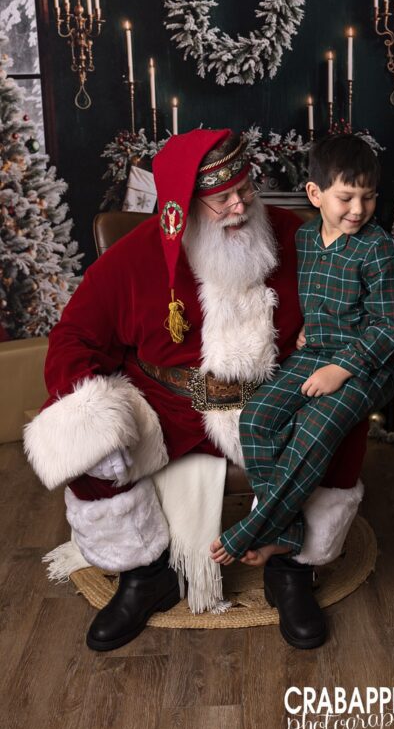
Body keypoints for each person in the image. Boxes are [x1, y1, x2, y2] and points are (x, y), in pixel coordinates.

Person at [24, 129, 369, 652]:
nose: (240, 205)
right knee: (84, 432)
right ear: (180, 207)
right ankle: (146, 574)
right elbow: (74, 335)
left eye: (245, 189)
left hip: (272, 399)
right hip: (169, 406)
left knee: (343, 416)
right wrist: (82, 403)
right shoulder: (135, 257)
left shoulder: (292, 234)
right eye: (222, 198)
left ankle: (293, 569)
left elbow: (356, 291)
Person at [209, 133, 394, 647]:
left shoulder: (379, 248)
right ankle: (289, 534)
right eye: (346, 197)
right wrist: (306, 334)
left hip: (369, 364)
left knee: (314, 428)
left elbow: (389, 328)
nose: (359, 209)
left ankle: (254, 531)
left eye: (368, 197)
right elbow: (309, 303)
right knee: (256, 417)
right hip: (318, 352)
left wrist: (341, 370)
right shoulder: (301, 240)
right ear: (316, 193)